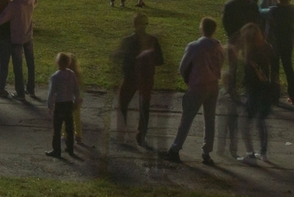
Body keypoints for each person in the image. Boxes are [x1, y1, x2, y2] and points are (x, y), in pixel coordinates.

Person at [166, 17, 226, 166]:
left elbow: (183, 67)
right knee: (210, 119)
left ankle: (176, 148)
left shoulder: (194, 46)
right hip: (213, 85)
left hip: (198, 85)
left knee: (187, 119)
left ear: (202, 28)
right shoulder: (219, 47)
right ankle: (206, 152)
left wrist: (189, 80)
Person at [115, 12, 165, 145]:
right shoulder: (153, 40)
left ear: (134, 24)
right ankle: (141, 134)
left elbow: (120, 57)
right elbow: (160, 60)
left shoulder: (127, 41)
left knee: (123, 104)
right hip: (146, 77)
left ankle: (122, 132)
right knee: (144, 106)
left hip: (130, 76)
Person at [237, 22, 277, 163]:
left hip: (253, 89)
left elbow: (248, 74)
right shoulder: (267, 47)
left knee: (244, 120)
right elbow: (274, 66)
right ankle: (263, 152)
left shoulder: (250, 51)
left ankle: (250, 153)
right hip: (266, 88)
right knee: (261, 120)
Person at [264, 0, 294, 104]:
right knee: (288, 67)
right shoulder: (293, 10)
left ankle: (274, 95)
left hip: (275, 41)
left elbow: (262, 12)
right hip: (287, 41)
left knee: (275, 68)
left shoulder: (273, 10)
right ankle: (293, 95)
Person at [3, 0, 37, 98]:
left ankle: (20, 92)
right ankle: (31, 88)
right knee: (30, 64)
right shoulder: (31, 0)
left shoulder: (14, 4)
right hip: (28, 36)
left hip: (17, 37)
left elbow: (4, 18)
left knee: (18, 66)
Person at [45, 53, 81, 159]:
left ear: (58, 63)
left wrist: (49, 105)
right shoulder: (71, 74)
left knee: (57, 129)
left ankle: (56, 150)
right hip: (68, 103)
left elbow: (51, 93)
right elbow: (76, 89)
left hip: (59, 104)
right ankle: (70, 148)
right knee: (70, 127)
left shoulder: (55, 77)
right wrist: (76, 101)